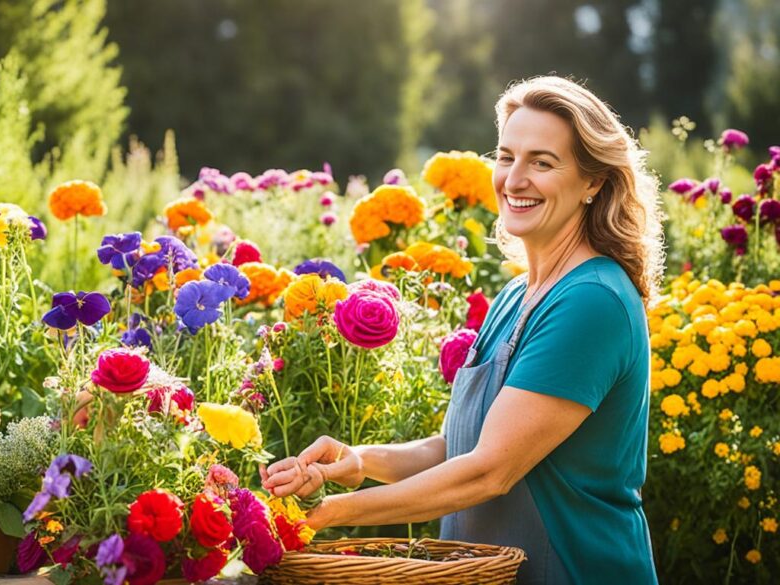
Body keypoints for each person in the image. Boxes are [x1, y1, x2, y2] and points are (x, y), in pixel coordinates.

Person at [261, 76, 663, 585]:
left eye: (542, 162)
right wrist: (357, 461)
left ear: (593, 183)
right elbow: (458, 447)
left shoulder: (592, 301)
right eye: (506, 156)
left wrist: (331, 513)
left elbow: (489, 471)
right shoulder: (517, 296)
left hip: (573, 568)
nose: (514, 179)